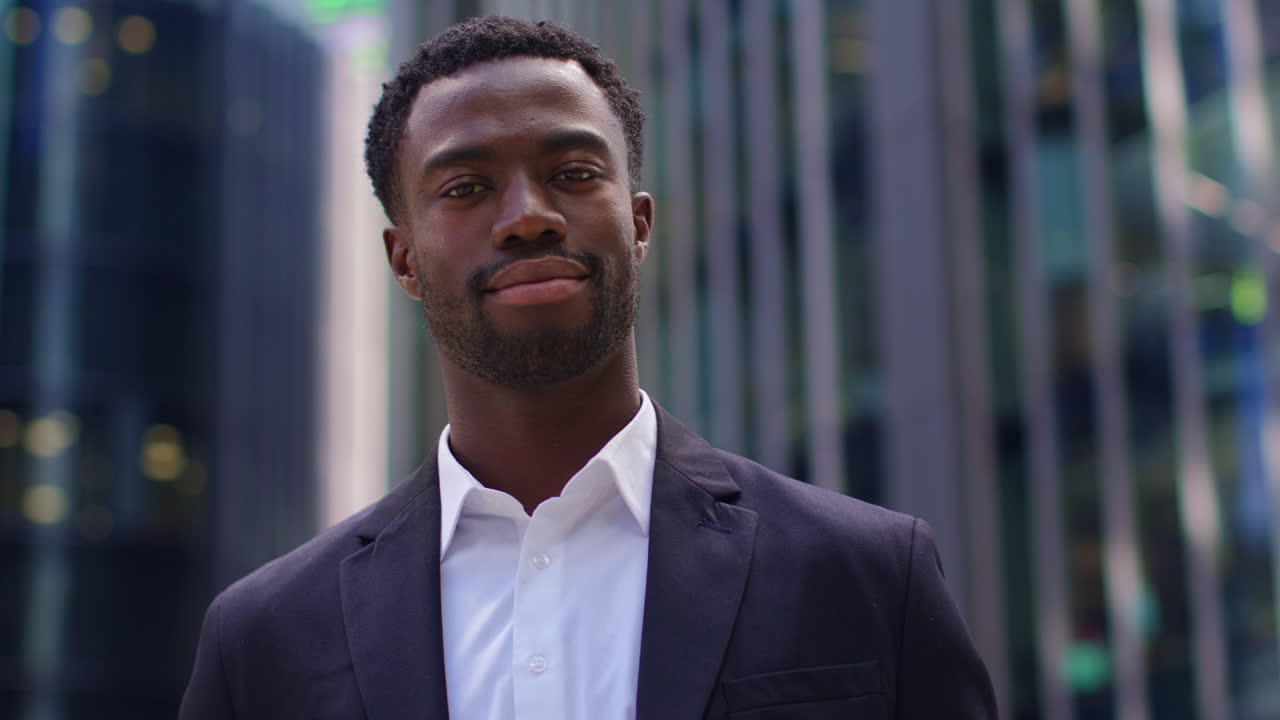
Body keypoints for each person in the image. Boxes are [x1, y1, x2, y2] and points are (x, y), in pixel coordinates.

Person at [180, 16, 996, 720]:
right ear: (405, 260)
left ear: (638, 225)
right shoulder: (262, 641)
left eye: (573, 174)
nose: (528, 217)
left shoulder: (868, 577)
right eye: (466, 187)